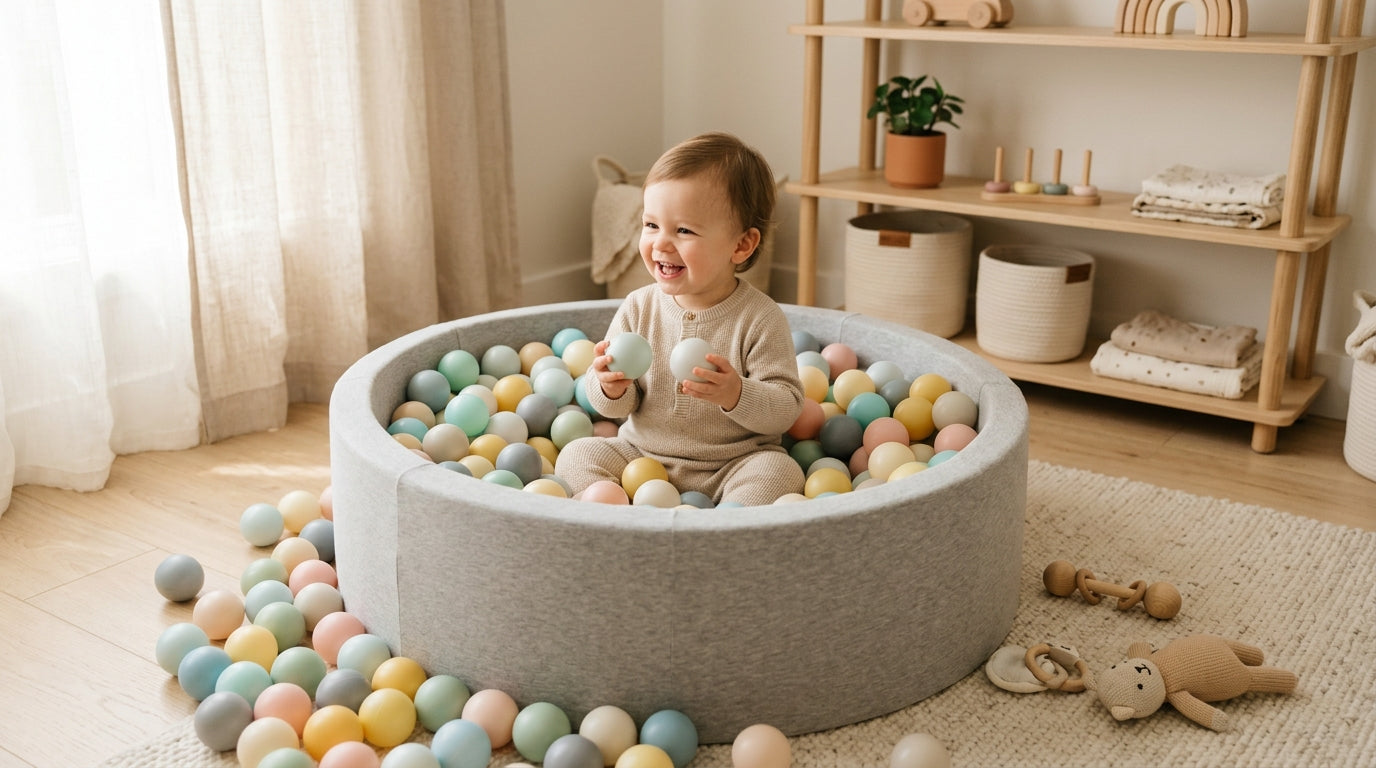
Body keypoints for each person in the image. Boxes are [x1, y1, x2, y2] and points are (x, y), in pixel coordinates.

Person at [556, 132, 805, 506]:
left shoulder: (760, 318)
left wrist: (735, 393)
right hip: (641, 458)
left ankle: (718, 525)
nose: (660, 243)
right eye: (651, 225)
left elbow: (786, 409)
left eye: (684, 230)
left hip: (732, 464)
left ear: (741, 245)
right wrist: (609, 387)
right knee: (576, 454)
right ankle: (627, 519)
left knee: (781, 472)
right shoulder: (638, 307)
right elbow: (613, 409)